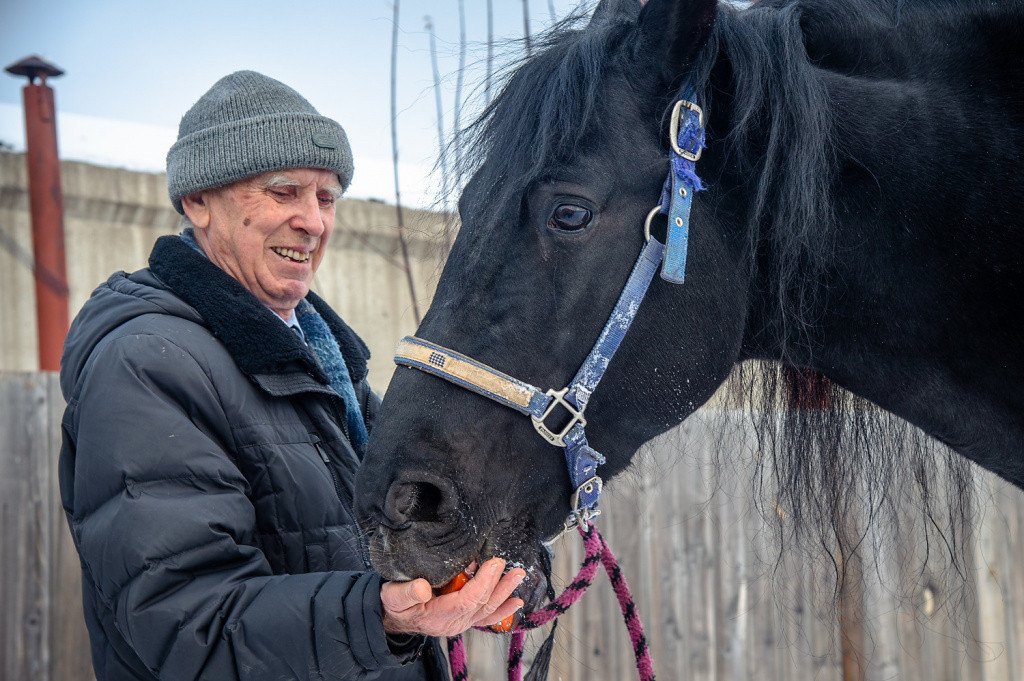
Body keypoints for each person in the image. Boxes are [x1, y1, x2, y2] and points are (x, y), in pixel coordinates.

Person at [58, 70, 525, 681]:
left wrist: (480, 562)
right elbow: (187, 625)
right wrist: (381, 619)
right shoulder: (148, 363)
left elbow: (407, 518)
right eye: (284, 192)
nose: (315, 222)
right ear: (197, 201)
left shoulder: (322, 360)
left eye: (326, 198)